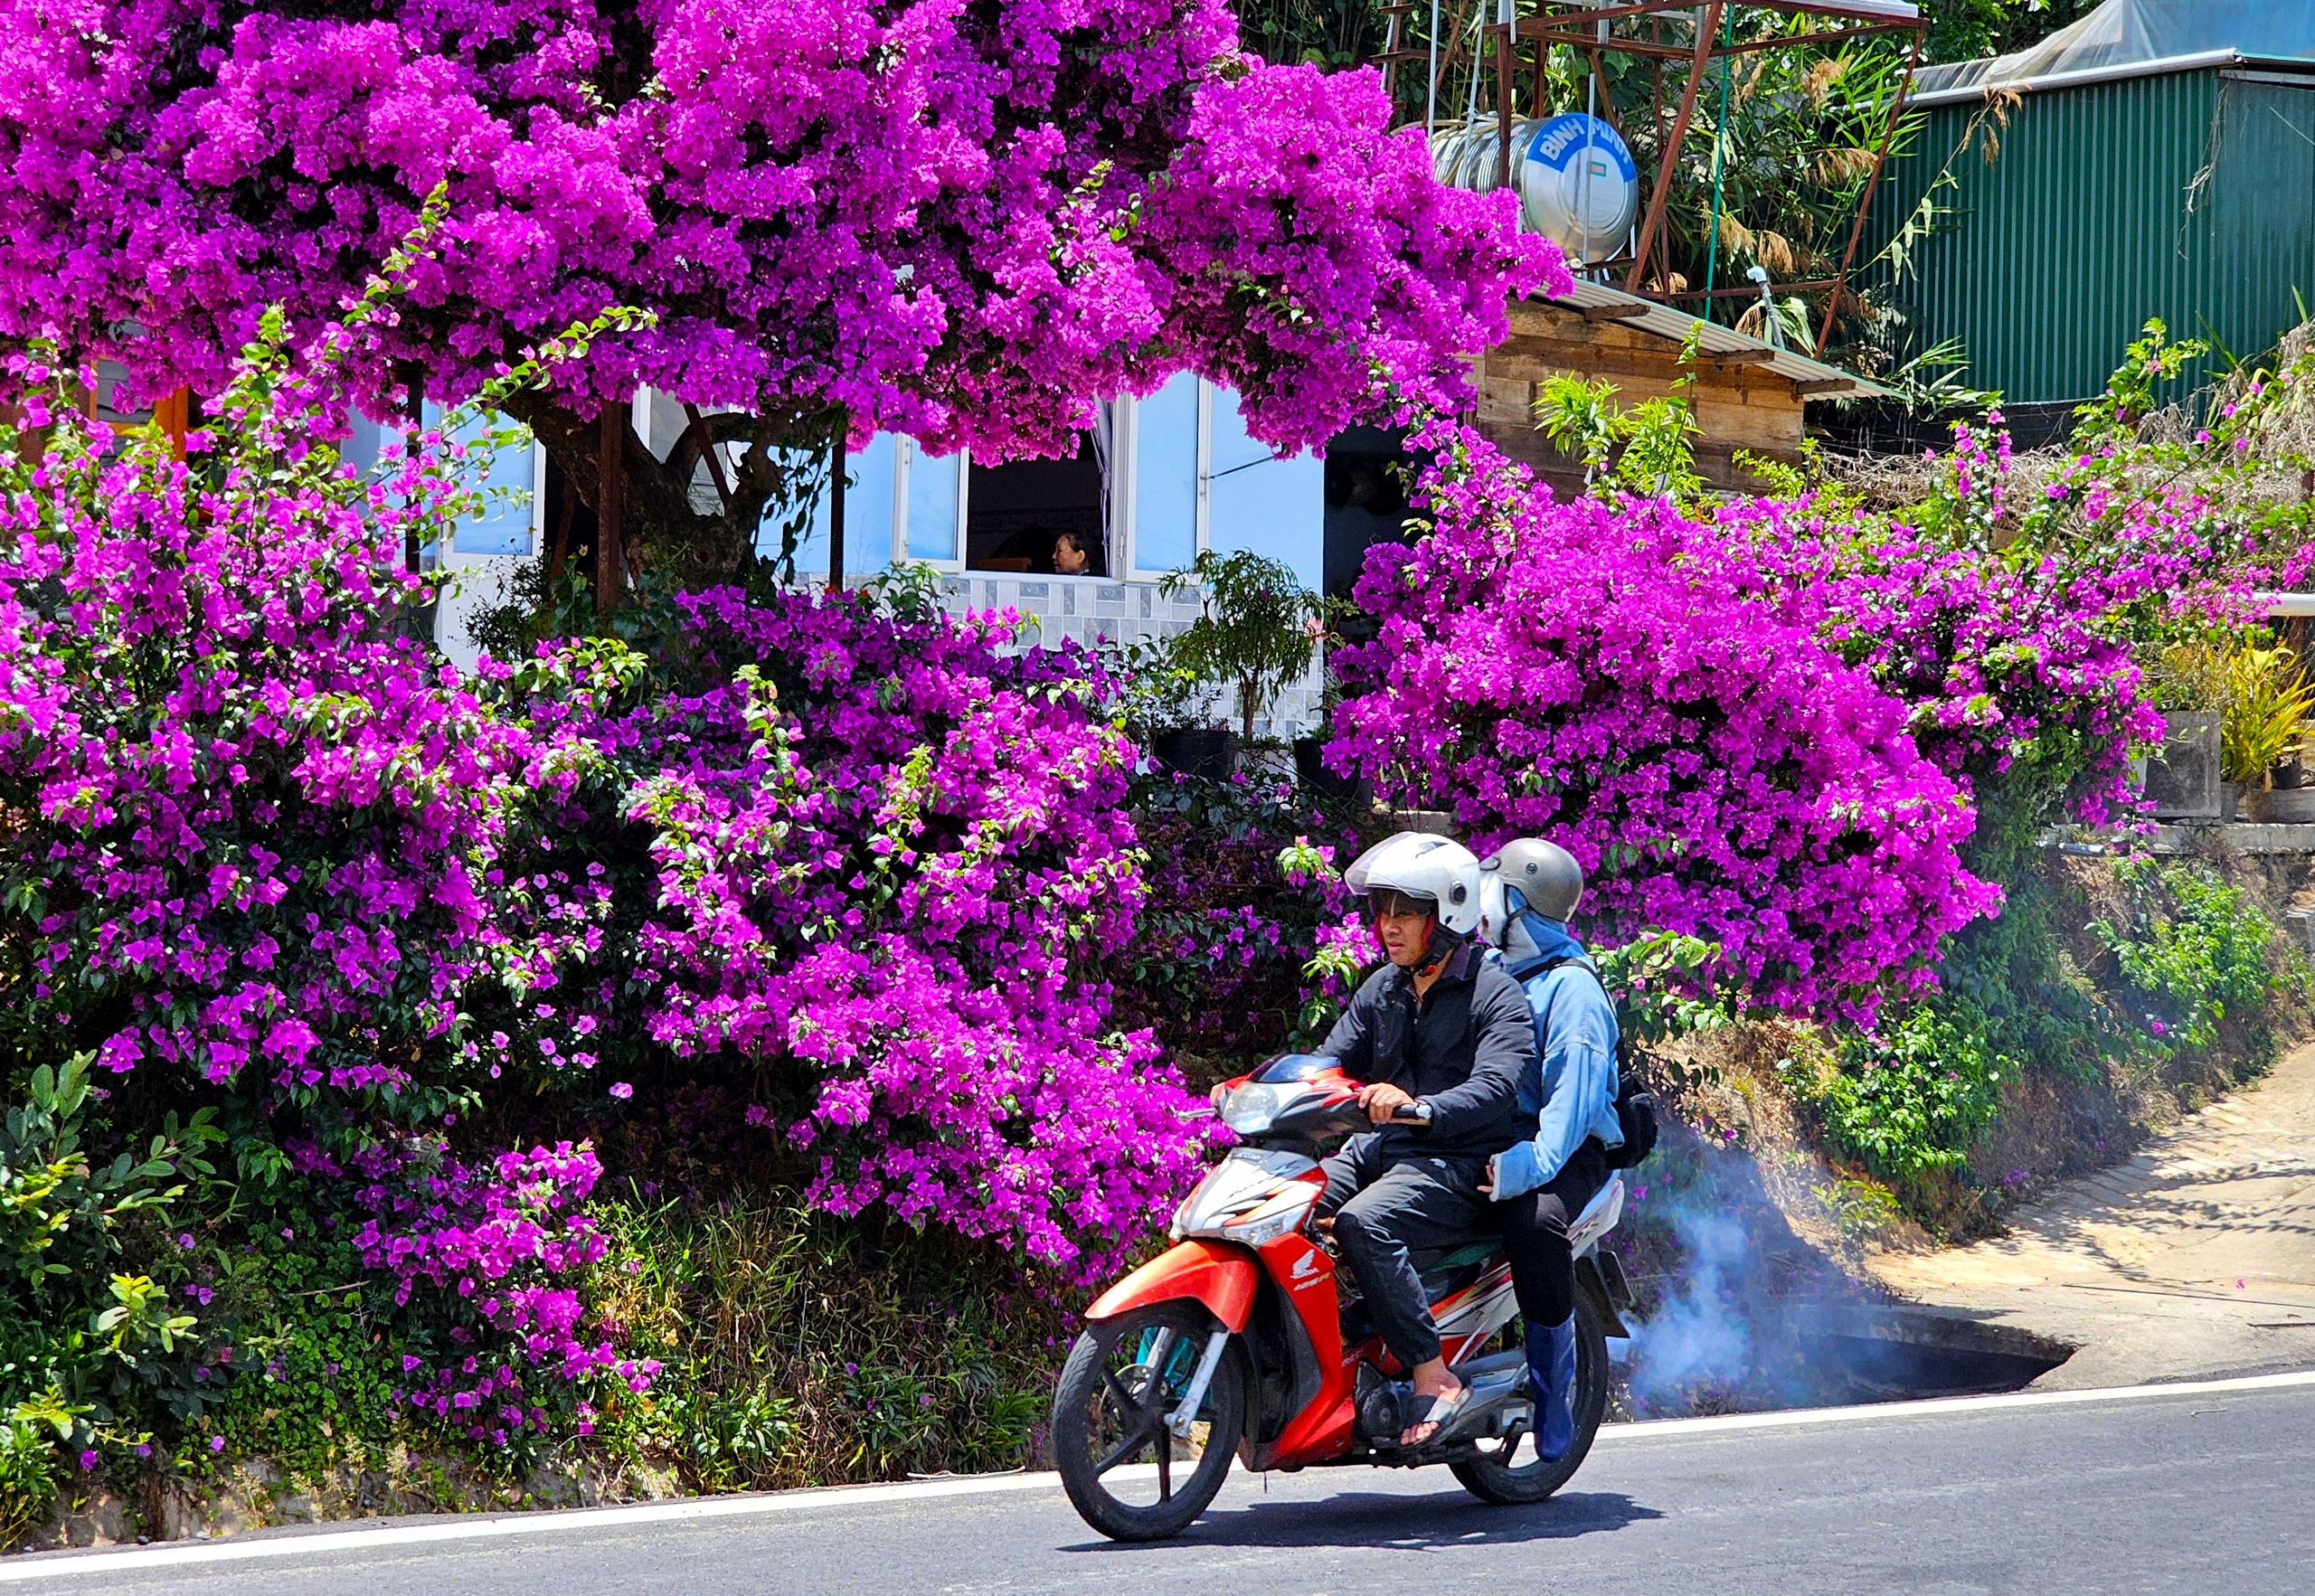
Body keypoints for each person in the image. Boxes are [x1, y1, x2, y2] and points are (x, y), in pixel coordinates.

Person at [1314, 831, 1535, 1449]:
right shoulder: (1382, 988)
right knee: (1287, 1205)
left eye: (1405, 910)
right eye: (1382, 909)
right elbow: (1327, 1061)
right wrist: (1265, 1091)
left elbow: (1495, 1086)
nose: (1388, 924)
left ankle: (1432, 1375)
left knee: (1364, 1224)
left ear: (1447, 914)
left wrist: (1422, 1108)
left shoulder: (1496, 994)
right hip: (1381, 1151)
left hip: (1456, 1163)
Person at [1477, 838, 1622, 1463]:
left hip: (1572, 1149)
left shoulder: (1574, 992)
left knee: (1535, 1221)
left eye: (1495, 886)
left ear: (1518, 901)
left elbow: (1570, 1114)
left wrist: (1519, 1170)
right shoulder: (1494, 968)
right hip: (1508, 1137)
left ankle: (1552, 1394)